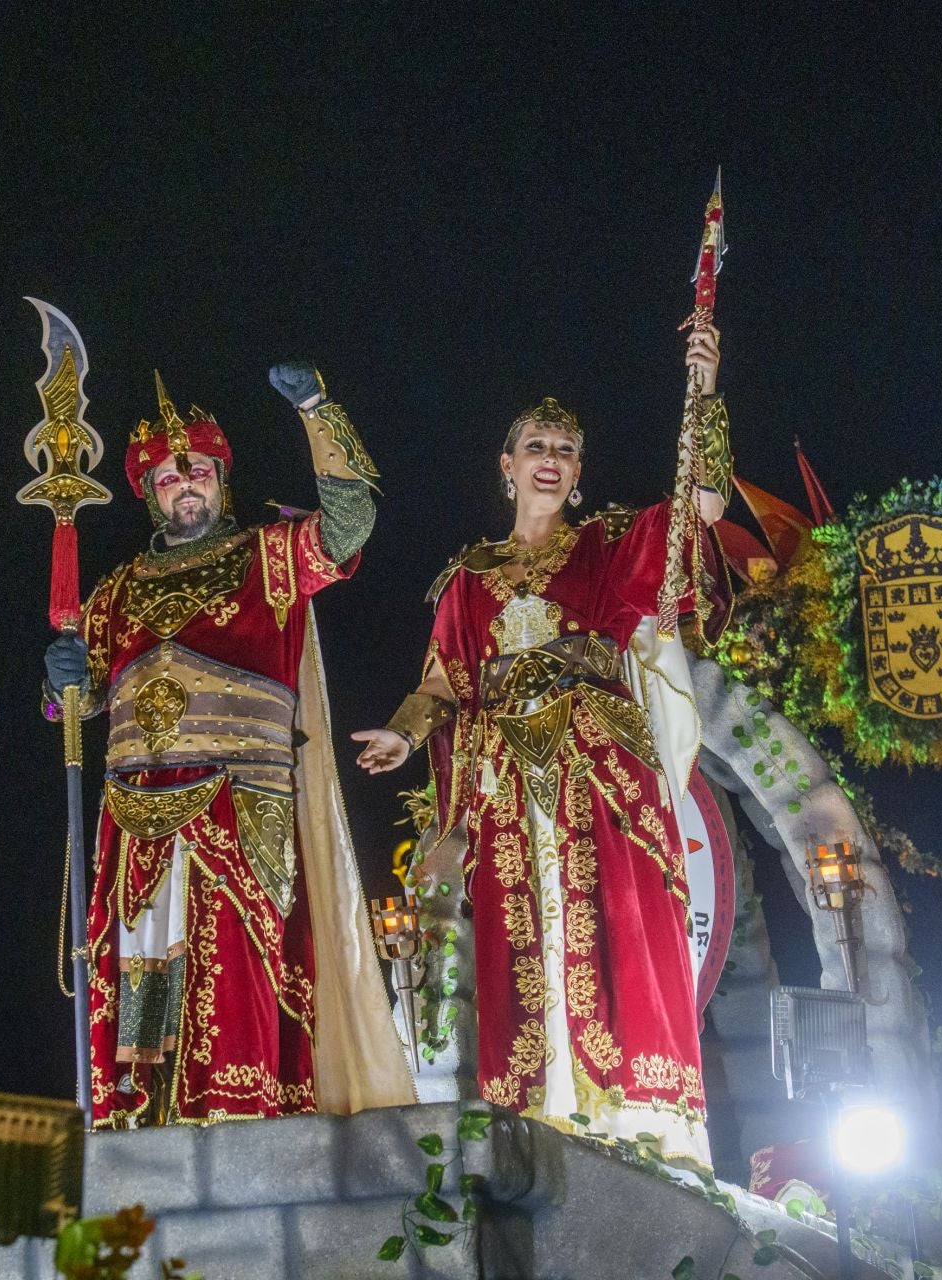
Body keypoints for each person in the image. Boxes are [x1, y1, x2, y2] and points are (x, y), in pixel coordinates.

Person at [353, 328, 733, 1166]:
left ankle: (640, 1117)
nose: (550, 459)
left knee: (611, 926)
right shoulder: (467, 579)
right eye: (537, 447)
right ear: (507, 464)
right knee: (524, 939)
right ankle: (543, 1115)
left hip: (594, 770)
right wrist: (403, 732)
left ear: (579, 471)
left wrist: (703, 392)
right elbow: (445, 683)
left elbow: (700, 510)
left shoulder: (605, 548)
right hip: (507, 780)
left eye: (565, 450)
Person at [45, 363, 414, 1128]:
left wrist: (318, 408)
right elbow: (72, 710)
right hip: (134, 812)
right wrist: (58, 683)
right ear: (150, 490)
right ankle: (144, 1125)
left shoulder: (265, 558)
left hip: (237, 799)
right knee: (145, 970)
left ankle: (243, 1122)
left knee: (238, 967)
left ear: (221, 481)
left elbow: (349, 527)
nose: (188, 484)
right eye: (172, 476)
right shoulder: (111, 593)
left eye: (201, 471)